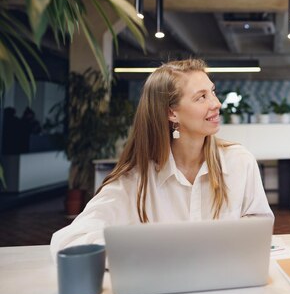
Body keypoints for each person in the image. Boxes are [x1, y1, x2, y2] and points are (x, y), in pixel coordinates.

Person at [51, 59, 273, 254]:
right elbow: (69, 240)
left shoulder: (239, 161)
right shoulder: (136, 179)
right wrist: (143, 253)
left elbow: (260, 225)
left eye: (212, 92)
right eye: (201, 97)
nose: (216, 103)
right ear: (171, 112)